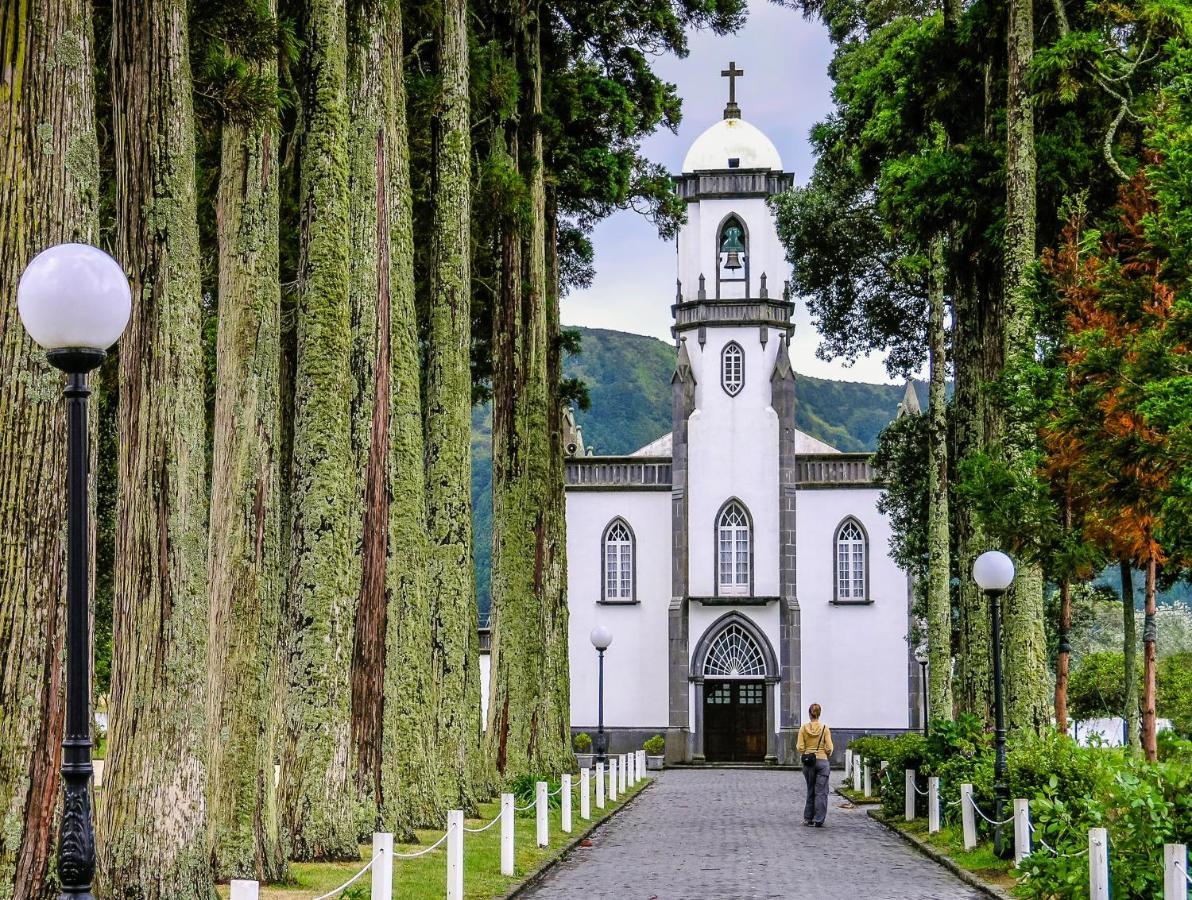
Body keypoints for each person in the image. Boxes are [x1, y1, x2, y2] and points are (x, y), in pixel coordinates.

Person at [797, 702, 833, 827]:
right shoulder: (825, 728)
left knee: (810, 790)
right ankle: (819, 819)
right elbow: (829, 748)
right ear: (819, 714)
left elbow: (800, 747)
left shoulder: (803, 728)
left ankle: (808, 818)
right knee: (821, 792)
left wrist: (808, 750)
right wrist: (824, 752)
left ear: (809, 714)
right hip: (822, 762)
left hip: (808, 763)